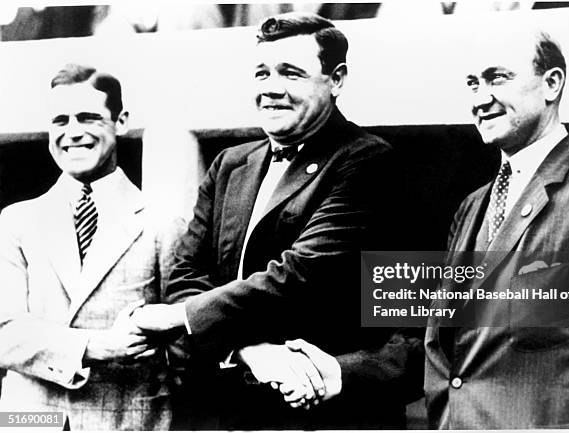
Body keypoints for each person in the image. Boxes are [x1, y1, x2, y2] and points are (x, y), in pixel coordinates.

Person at [131, 12, 420, 429]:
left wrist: (181, 316)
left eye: (291, 73)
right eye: (262, 73)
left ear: (336, 79)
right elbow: (185, 273)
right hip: (223, 409)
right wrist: (250, 350)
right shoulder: (230, 164)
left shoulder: (367, 159)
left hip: (320, 412)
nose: (270, 88)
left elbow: (303, 272)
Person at [423, 27, 569, 428]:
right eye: (473, 83)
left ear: (552, 84)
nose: (480, 98)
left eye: (497, 78)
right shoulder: (473, 206)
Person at [0, 64, 181, 430]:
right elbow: (5, 332)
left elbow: (182, 346)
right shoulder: (17, 221)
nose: (73, 133)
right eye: (60, 121)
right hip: (31, 420)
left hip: (126, 419)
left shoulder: (163, 221)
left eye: (88, 118)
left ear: (121, 121)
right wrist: (97, 346)